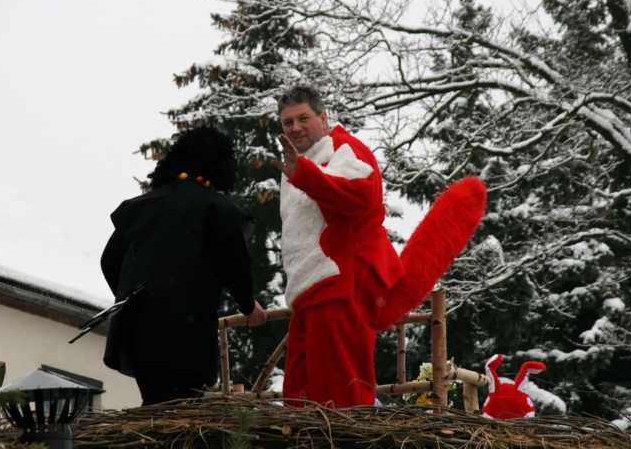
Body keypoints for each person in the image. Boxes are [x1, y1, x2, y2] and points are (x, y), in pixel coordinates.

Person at [274, 84, 487, 407]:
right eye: (287, 122)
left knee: (340, 389)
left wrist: (306, 175)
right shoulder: (296, 163)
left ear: (323, 117)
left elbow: (361, 196)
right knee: (301, 395)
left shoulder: (343, 147)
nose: (295, 128)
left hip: (339, 284)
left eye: (303, 118)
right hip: (308, 292)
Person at [100, 125, 267, 406]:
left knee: (155, 403)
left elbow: (109, 260)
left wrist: (135, 294)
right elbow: (234, 263)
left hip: (138, 332)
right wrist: (249, 306)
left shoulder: (145, 206)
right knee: (182, 408)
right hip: (186, 331)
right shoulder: (218, 209)